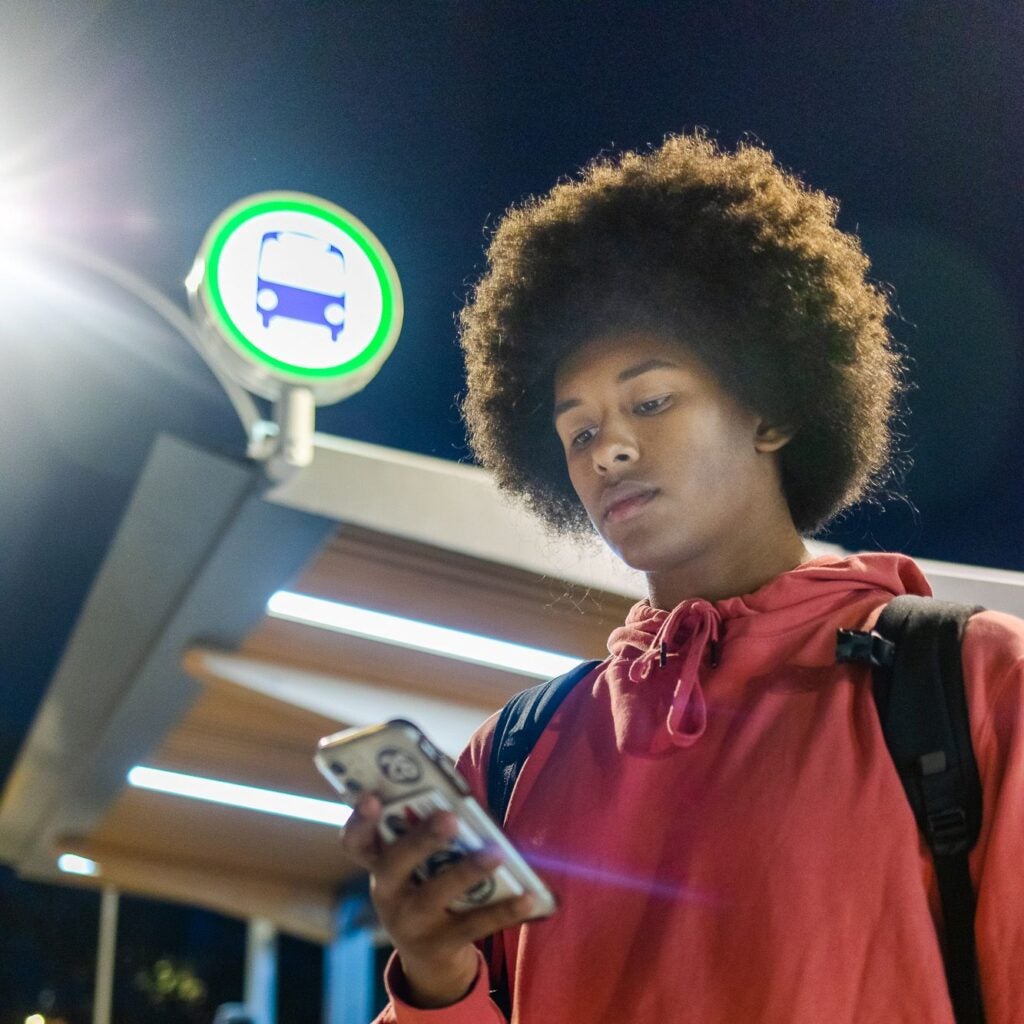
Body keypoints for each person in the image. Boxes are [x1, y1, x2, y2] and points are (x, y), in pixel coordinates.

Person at [341, 129, 1024, 1023]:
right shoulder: (510, 756)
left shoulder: (974, 682)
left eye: (652, 400)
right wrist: (435, 977)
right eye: (578, 431)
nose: (609, 450)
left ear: (772, 409)